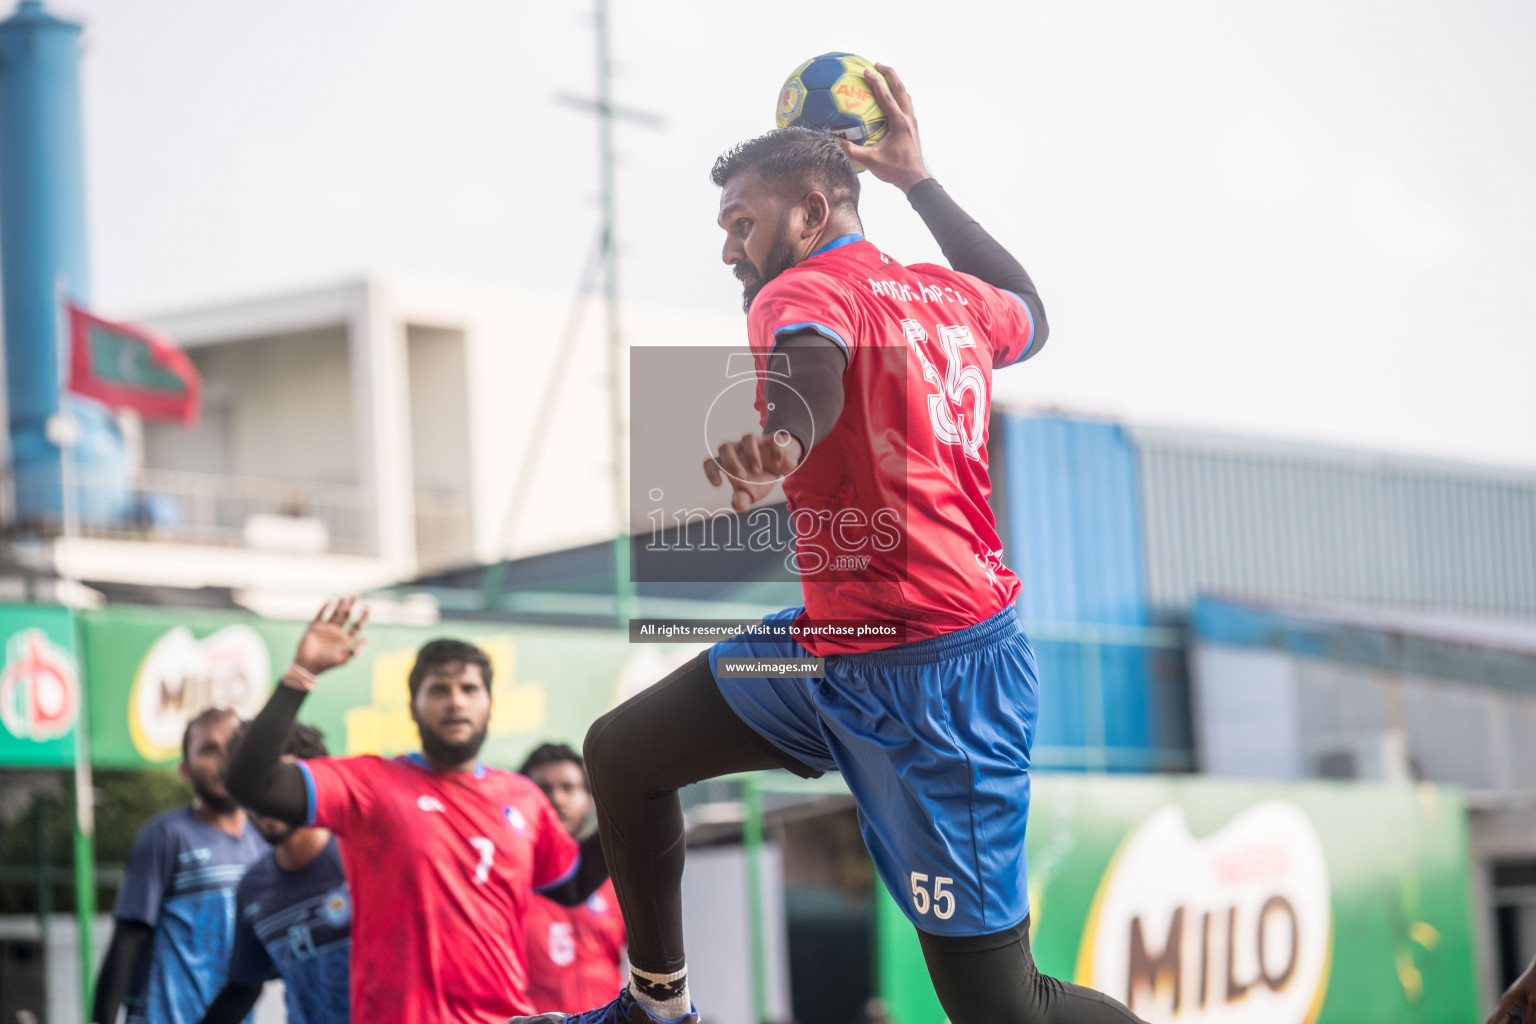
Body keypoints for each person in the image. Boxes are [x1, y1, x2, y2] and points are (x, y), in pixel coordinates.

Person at [513, 65, 1143, 1024]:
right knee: (625, 752)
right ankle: (656, 1009)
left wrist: (783, 436)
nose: (729, 251)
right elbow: (1030, 309)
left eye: (739, 223)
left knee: (1006, 1010)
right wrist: (920, 182)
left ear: (810, 213)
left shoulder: (798, 292)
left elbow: (815, 365)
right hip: (828, 648)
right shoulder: (950, 297)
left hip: (940, 684)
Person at [225, 598, 611, 1023]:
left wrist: (638, 803)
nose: (455, 702)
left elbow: (572, 885)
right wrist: (302, 673)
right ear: (413, 706)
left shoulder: (523, 797)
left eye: (469, 689)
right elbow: (252, 782)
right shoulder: (370, 783)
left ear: (489, 704)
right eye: (438, 690)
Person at [91, 707, 268, 1024]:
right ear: (185, 770)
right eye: (209, 750)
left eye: (233, 748)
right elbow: (126, 941)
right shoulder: (165, 836)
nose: (224, 760)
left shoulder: (264, 844)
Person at [199, 721, 350, 1024]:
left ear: (314, 779)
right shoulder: (254, 889)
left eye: (278, 781)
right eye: (252, 785)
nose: (265, 797)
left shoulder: (365, 862)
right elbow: (243, 988)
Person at [521, 743, 627, 1011]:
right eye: (543, 789)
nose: (557, 798)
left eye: (568, 788)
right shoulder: (506, 877)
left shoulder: (617, 877)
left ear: (590, 799)